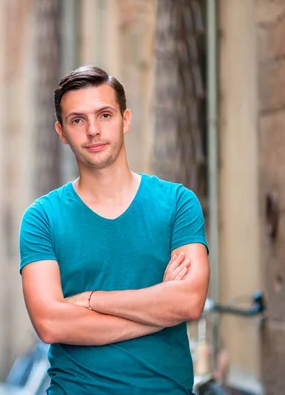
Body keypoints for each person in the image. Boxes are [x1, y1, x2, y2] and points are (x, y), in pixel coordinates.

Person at [19, 65, 209, 394]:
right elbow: (50, 323)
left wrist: (90, 300)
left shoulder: (178, 203)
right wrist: (158, 310)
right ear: (61, 132)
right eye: (77, 120)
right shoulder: (42, 218)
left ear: (125, 119)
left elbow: (189, 302)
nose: (93, 130)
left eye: (105, 115)